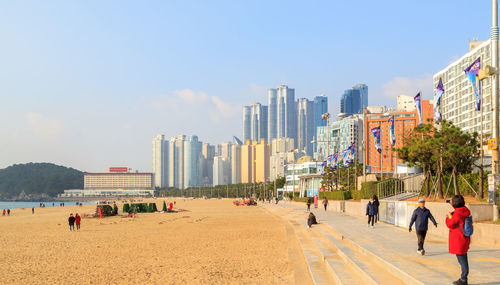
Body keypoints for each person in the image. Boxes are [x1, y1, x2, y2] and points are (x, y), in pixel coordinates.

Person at [446, 195, 471, 285]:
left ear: (456, 203)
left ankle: (463, 279)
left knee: (462, 260)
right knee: (463, 258)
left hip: (458, 240)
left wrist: (448, 216)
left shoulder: (456, 215)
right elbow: (458, 209)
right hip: (464, 239)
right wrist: (451, 204)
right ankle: (463, 278)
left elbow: (450, 224)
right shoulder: (465, 210)